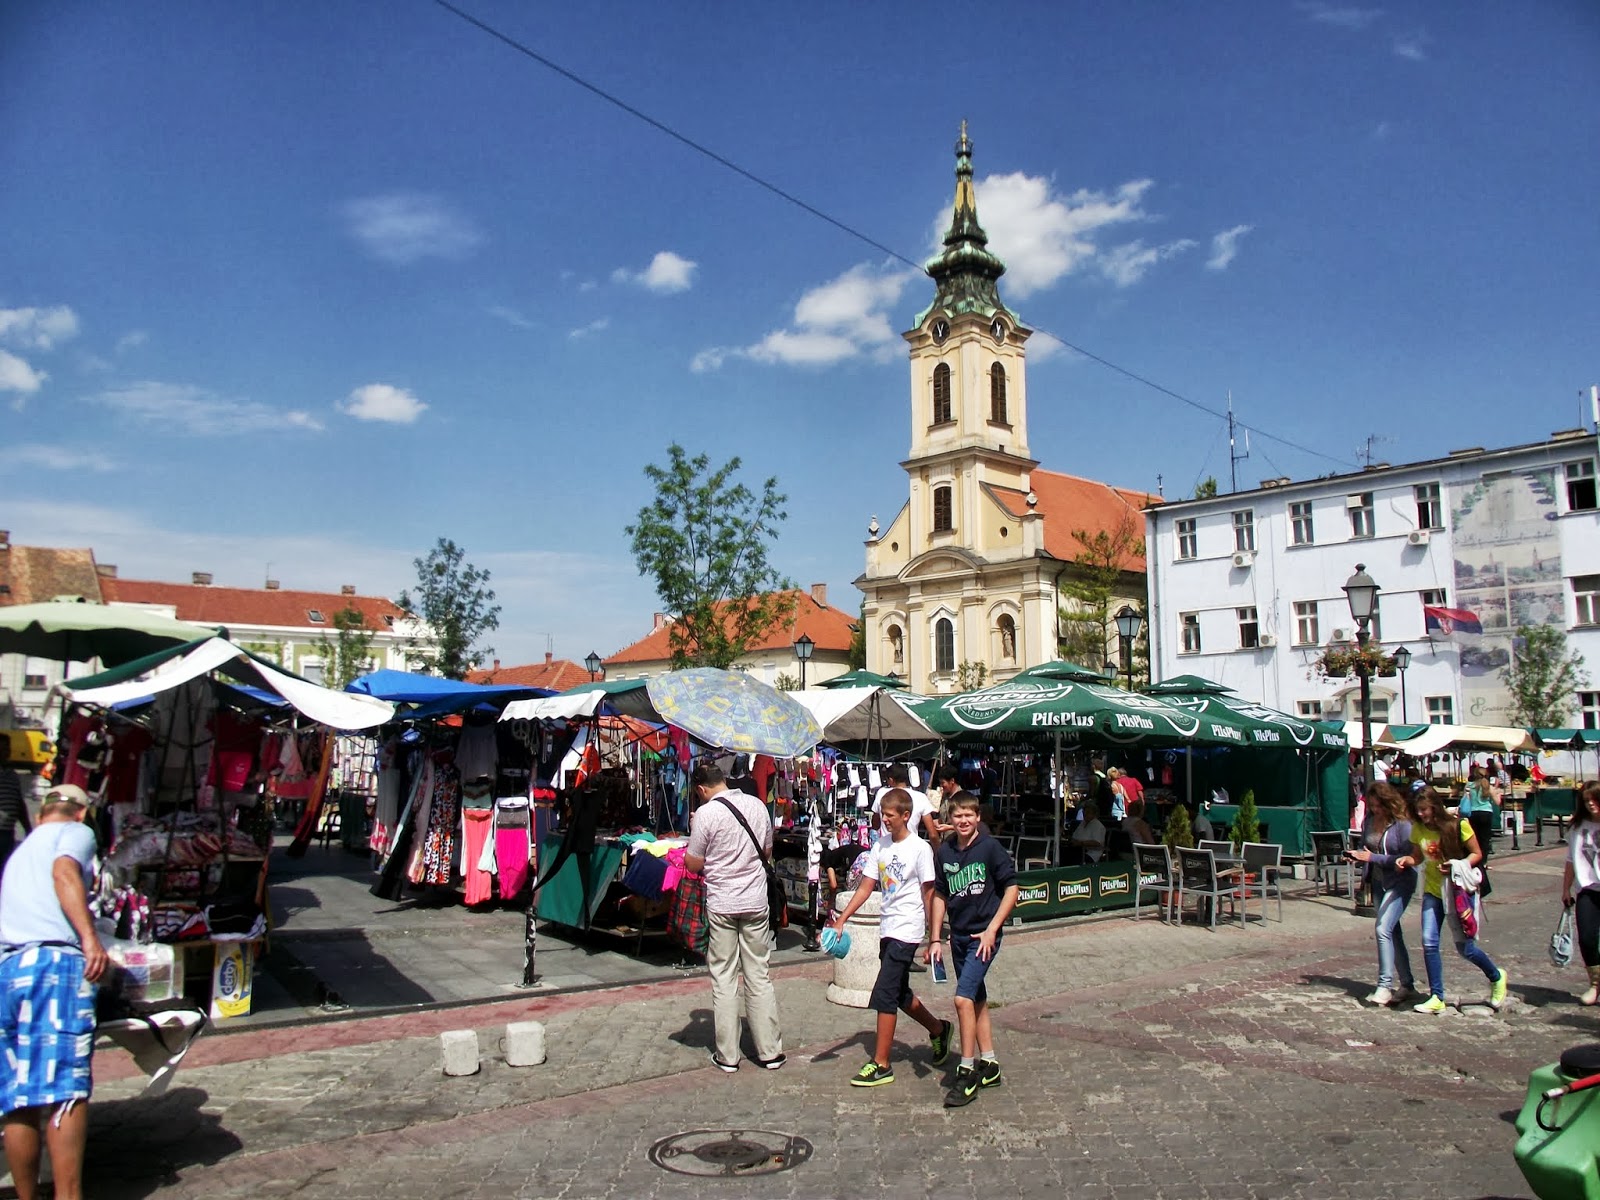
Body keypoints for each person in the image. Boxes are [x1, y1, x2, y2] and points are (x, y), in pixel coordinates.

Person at [0, 783, 109, 1200]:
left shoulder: (20, 852)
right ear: (81, 813)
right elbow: (65, 872)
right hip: (54, 966)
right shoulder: (76, 832)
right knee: (65, 1088)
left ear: (43, 812)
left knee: (19, 1096)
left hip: (11, 969)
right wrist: (89, 939)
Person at [830, 789, 951, 1087]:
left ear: (906, 816)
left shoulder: (920, 848)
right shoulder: (880, 846)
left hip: (907, 929)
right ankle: (938, 1029)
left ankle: (881, 1063)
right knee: (898, 993)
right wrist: (841, 920)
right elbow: (865, 887)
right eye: (883, 814)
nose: (884, 819)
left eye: (890, 815)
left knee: (883, 992)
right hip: (887, 927)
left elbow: (929, 892)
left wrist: (933, 936)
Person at [682, 761, 784, 1072]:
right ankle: (770, 1052)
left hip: (723, 903)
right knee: (758, 974)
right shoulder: (755, 805)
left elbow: (694, 864)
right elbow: (767, 851)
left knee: (724, 977)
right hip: (754, 901)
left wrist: (693, 831)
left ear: (701, 788)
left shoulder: (706, 814)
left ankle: (728, 1055)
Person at [927, 791, 1018, 1106]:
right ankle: (989, 1063)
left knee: (962, 998)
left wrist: (993, 928)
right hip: (960, 938)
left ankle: (966, 1072)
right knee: (976, 998)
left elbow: (1012, 887)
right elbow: (939, 895)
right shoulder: (945, 852)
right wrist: (935, 938)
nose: (963, 821)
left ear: (978, 817)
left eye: (969, 815)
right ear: (950, 819)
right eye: (958, 816)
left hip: (983, 937)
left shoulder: (990, 848)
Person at [1394, 786, 1507, 1013]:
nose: (1422, 814)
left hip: (1456, 891)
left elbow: (1477, 854)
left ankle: (1496, 976)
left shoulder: (1458, 825)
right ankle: (1437, 996)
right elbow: (1417, 857)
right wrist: (1406, 860)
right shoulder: (1418, 829)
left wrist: (1458, 865)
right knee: (1429, 941)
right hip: (1432, 891)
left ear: (1435, 806)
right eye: (1418, 810)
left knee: (1466, 948)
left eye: (1425, 809)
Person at [1347, 781, 1417, 1006]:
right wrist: (1356, 855)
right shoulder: (1369, 821)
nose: (1375, 810)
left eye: (1379, 806)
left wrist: (1373, 858)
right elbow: (1368, 849)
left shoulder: (1402, 825)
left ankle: (1385, 985)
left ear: (1388, 803)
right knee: (1392, 932)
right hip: (1377, 881)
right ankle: (1406, 983)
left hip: (1400, 881)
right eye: (1372, 805)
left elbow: (1406, 860)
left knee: (1382, 929)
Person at [1560, 782, 1600, 1006]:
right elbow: (1570, 860)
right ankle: (1595, 984)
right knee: (1586, 937)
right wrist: (1565, 888)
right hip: (1587, 889)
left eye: (1594, 799)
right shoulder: (1578, 827)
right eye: (1586, 801)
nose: (1591, 804)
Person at [1456, 766, 1499, 896]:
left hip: (1473, 814)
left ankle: (1475, 859)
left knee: (1474, 838)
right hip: (1486, 813)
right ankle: (1484, 862)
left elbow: (1464, 799)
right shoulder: (1488, 787)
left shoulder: (1469, 785)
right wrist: (1497, 793)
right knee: (1485, 839)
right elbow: (1497, 802)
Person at [870, 763, 939, 842]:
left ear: (891, 780)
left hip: (886, 847)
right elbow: (932, 834)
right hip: (912, 847)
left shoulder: (882, 793)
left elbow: (875, 822)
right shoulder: (921, 797)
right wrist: (937, 852)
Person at [0, 768, 33, 878]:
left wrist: (27, 828)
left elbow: (18, 802)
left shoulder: (11, 775)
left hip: (7, 833)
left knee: (4, 869)